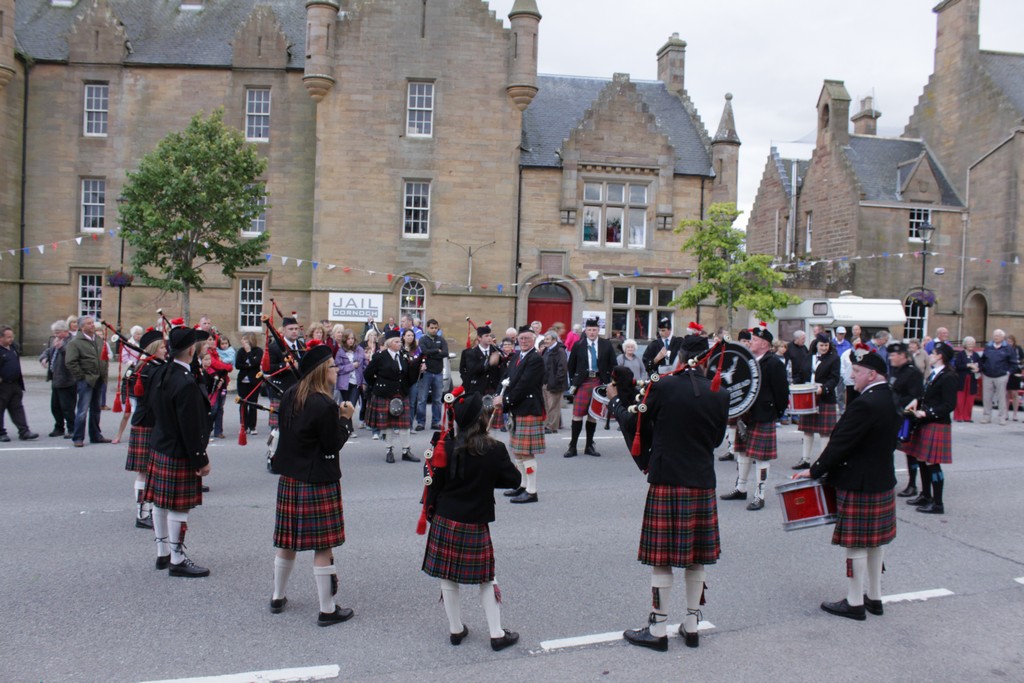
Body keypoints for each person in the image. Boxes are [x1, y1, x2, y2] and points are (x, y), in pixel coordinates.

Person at [609, 335, 729, 651]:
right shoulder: (720, 393)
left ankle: (658, 629)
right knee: (696, 559)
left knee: (662, 560)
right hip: (701, 480)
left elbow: (637, 424)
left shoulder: (662, 386)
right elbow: (717, 441)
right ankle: (691, 625)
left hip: (667, 479)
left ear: (681, 357)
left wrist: (616, 402)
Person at [795, 348, 899, 621]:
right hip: (882, 478)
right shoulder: (890, 397)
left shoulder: (865, 403)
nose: (852, 377)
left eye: (857, 372)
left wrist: (814, 470)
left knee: (857, 544)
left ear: (872, 374)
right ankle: (874, 598)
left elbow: (840, 443)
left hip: (858, 481)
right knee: (876, 543)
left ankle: (854, 602)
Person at [421, 391, 522, 650]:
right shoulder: (494, 449)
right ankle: (496, 634)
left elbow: (435, 483)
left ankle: (456, 630)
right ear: (482, 418)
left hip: (445, 518)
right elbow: (514, 480)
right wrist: (487, 480)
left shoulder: (445, 446)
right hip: (474, 521)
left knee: (447, 576)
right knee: (486, 578)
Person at [269, 342, 356, 626]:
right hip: (317, 479)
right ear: (321, 371)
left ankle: (277, 596)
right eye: (333, 366)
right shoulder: (324, 404)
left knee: (287, 542)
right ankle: (327, 610)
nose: (336, 369)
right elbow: (332, 445)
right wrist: (345, 420)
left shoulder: (290, 395)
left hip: (290, 477)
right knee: (323, 546)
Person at [146, 327, 213, 577]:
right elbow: (190, 427)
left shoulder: (161, 371)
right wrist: (201, 460)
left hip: (160, 444)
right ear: (191, 350)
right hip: (178, 450)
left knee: (159, 504)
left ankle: (162, 553)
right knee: (177, 508)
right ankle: (177, 558)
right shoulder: (185, 382)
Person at [720, 325, 787, 510]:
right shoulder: (747, 360)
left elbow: (782, 392)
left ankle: (760, 495)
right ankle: (740, 488)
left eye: (755, 340)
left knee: (761, 457)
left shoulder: (774, 363)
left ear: (764, 344)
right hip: (745, 414)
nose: (751, 342)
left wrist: (776, 413)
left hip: (764, 414)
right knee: (742, 452)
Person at [903, 343, 958, 514]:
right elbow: (929, 396)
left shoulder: (948, 376)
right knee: (922, 460)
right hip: (925, 422)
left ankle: (938, 503)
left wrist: (927, 413)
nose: (930, 355)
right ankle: (926, 495)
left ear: (940, 356)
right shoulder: (934, 374)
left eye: (933, 353)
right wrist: (917, 401)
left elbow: (949, 405)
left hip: (937, 423)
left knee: (932, 463)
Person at [498, 326, 546, 503]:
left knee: (526, 453)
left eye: (527, 338)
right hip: (517, 407)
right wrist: (498, 394)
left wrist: (505, 400)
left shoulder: (535, 359)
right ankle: (523, 485)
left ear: (534, 340)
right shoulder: (517, 356)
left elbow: (524, 385)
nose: (524, 341)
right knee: (518, 452)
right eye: (521, 338)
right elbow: (507, 378)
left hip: (528, 408)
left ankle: (532, 492)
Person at [124, 329, 166, 529]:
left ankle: (148, 509)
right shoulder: (150, 369)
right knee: (144, 472)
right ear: (154, 348)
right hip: (147, 423)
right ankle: (142, 513)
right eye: (163, 347)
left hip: (148, 421)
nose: (166, 350)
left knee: (148, 472)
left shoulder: (147, 367)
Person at [364, 328, 419, 463]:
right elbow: (368, 374)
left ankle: (406, 451)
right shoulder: (380, 357)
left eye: (400, 342)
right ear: (389, 343)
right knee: (387, 425)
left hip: (401, 393)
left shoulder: (404, 356)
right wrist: (378, 386)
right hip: (385, 394)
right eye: (396, 342)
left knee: (405, 425)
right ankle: (389, 450)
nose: (400, 344)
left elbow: (409, 375)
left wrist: (417, 369)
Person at [564, 318, 616, 458]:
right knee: (577, 415)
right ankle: (572, 446)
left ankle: (589, 446)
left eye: (594, 330)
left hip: (599, 381)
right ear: (585, 331)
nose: (592, 332)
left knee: (593, 415)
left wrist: (610, 382)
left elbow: (613, 364)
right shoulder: (578, 345)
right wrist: (574, 381)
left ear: (598, 330)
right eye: (589, 330)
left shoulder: (606, 344)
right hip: (583, 382)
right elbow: (571, 365)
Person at [792, 334, 840, 470]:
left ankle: (823, 462)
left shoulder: (834, 358)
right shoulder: (808, 357)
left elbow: (835, 378)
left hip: (825, 397)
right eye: (821, 345)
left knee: (824, 432)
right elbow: (801, 375)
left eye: (826, 345)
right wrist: (794, 384)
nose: (824, 348)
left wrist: (824, 389)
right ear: (816, 345)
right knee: (807, 430)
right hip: (808, 397)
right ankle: (805, 460)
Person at [64, 316, 111, 447]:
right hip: (86, 380)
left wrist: (104, 372)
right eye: (89, 323)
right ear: (82, 327)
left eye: (92, 323)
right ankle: (78, 437)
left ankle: (96, 435)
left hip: (99, 379)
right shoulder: (75, 343)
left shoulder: (98, 340)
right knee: (83, 410)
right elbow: (70, 362)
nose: (92, 325)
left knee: (96, 409)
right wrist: (81, 377)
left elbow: (104, 357)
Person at [887, 342, 924, 498]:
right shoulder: (896, 370)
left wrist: (897, 405)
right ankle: (889, 479)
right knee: (888, 449)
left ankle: (912, 484)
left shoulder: (913, 372)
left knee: (910, 453)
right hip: (894, 415)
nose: (890, 358)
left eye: (893, 355)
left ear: (902, 355)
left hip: (906, 417)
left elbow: (915, 396)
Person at [0, 326, 39, 442]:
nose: (11, 339)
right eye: (8, 337)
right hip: (3, 385)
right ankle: (1, 433)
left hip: (15, 384)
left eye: (12, 336)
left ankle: (24, 431)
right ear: (1, 338)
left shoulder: (13, 347)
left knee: (17, 408)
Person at [267, 317, 306, 431]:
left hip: (299, 392)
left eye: (296, 329)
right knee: (277, 430)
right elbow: (268, 368)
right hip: (281, 391)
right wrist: (285, 366)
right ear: (283, 330)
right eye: (291, 329)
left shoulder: (302, 346)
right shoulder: (274, 347)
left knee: (297, 428)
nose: (294, 331)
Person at [40, 320, 76, 438]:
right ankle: (59, 427)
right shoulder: (56, 340)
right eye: (54, 332)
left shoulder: (72, 341)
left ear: (65, 331)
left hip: (67, 380)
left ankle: (72, 429)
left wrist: (61, 348)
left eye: (58, 332)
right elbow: (48, 351)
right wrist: (44, 358)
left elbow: (71, 357)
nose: (55, 334)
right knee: (55, 407)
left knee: (67, 407)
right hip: (56, 379)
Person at [979, 329, 1018, 425]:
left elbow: (1013, 363)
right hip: (987, 375)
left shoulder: (1008, 348)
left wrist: (1008, 372)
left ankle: (1002, 418)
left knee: (1002, 398)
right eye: (994, 335)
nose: (996, 337)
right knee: (987, 398)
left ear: (1003, 337)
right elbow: (983, 360)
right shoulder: (988, 347)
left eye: (998, 335)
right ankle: (986, 417)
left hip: (1001, 376)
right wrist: (982, 370)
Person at [415, 319, 449, 431]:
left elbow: (445, 353)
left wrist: (432, 353)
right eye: (432, 328)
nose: (434, 330)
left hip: (438, 373)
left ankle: (436, 422)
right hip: (426, 373)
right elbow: (424, 351)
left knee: (437, 400)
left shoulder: (441, 340)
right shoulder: (423, 339)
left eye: (436, 328)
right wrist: (437, 351)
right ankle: (421, 422)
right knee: (422, 399)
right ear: (427, 328)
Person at [334, 329, 367, 430]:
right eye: (348, 339)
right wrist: (351, 366)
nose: (351, 340)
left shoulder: (359, 350)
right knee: (346, 406)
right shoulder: (340, 352)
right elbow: (338, 368)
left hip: (356, 382)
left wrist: (364, 382)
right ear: (345, 340)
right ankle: (348, 428)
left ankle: (346, 427)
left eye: (352, 338)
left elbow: (365, 366)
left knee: (351, 405)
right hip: (344, 383)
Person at [459, 325, 502, 398]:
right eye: (486, 336)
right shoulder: (471, 353)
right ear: (479, 338)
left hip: (493, 388)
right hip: (477, 389)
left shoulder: (496, 351)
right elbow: (472, 369)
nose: (489, 338)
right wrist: (488, 362)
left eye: (490, 335)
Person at [235, 332, 263, 436]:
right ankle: (244, 425)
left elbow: (255, 363)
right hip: (242, 381)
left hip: (254, 381)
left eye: (245, 340)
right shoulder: (240, 351)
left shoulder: (258, 351)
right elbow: (238, 365)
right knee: (243, 403)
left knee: (253, 404)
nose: (243, 342)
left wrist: (249, 352)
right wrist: (248, 366)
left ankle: (252, 426)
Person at [542, 330, 568, 434]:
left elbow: (562, 369)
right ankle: (546, 425)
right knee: (547, 406)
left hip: (554, 384)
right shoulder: (546, 350)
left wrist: (556, 382)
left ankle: (552, 426)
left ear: (554, 340)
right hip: (545, 383)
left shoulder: (560, 351)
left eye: (547, 339)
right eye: (545, 339)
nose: (545, 341)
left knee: (553, 406)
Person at [952, 336, 981, 422]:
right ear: (965, 344)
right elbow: (957, 366)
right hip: (962, 379)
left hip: (972, 380)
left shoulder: (976, 355)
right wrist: (968, 365)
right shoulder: (961, 354)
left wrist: (978, 369)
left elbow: (981, 366)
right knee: (960, 398)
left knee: (970, 399)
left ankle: (967, 417)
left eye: (972, 343)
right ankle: (959, 416)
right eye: (969, 343)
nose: (971, 345)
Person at [1005, 334, 1024, 421]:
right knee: (1006, 394)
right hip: (1006, 372)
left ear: (1014, 342)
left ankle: (1015, 414)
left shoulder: (1018, 349)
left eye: (1011, 342)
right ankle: (1006, 413)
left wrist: (1021, 371)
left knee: (1014, 393)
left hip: (1016, 372)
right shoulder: (1004, 349)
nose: (1009, 343)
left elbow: (1022, 360)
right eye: (1008, 342)